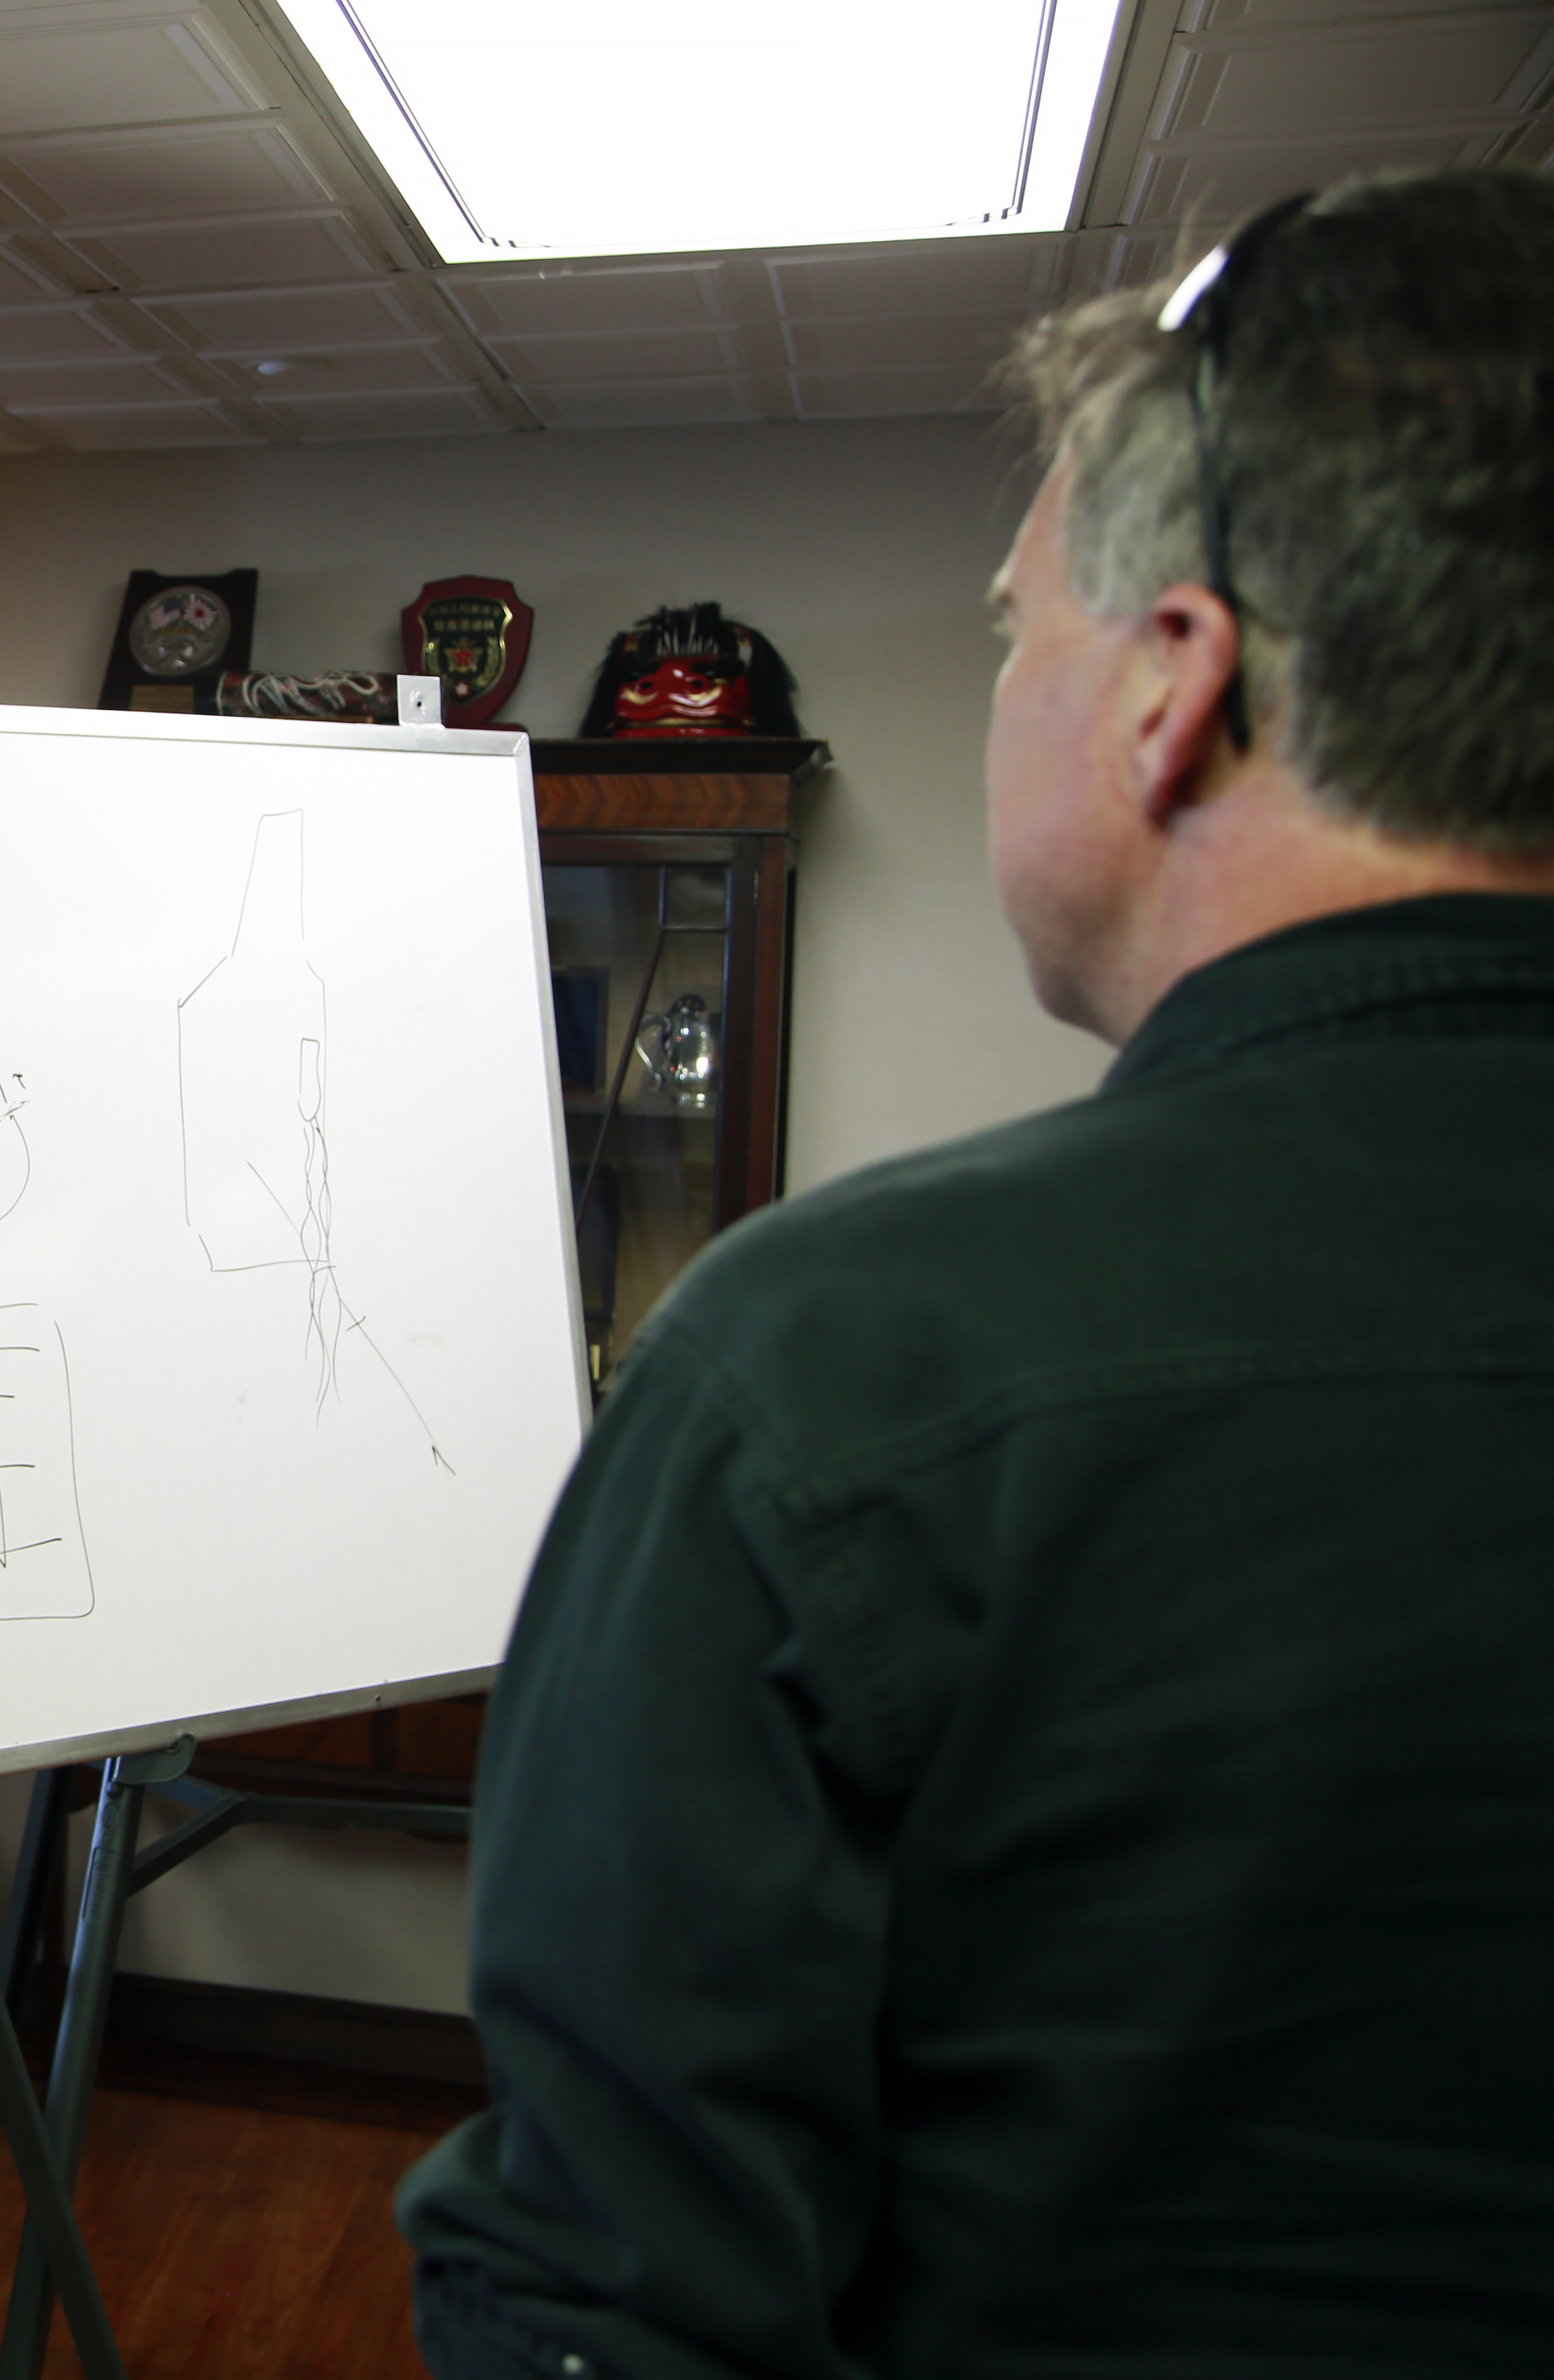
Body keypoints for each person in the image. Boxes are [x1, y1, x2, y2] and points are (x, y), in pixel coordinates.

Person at [397, 167, 1554, 2377]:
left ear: (1172, 692)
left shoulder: (825, 1380)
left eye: (1017, 631)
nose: (1006, 684)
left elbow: (611, 2306)